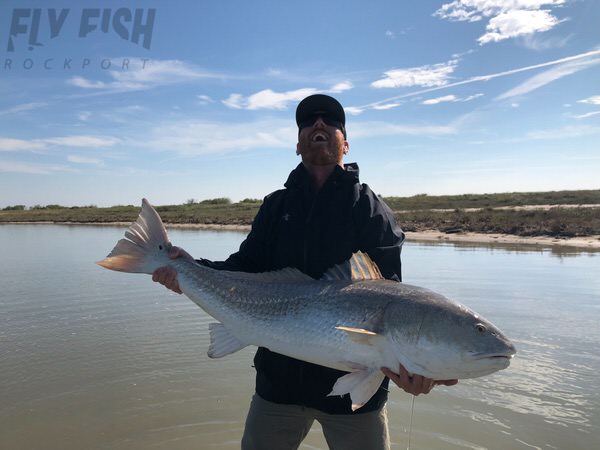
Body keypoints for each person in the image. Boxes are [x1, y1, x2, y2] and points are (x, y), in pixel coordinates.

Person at [152, 94, 458, 450]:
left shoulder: (372, 212)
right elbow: (243, 269)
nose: (318, 124)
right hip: (278, 386)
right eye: (308, 121)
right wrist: (188, 269)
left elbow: (391, 299)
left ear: (346, 142)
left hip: (354, 398)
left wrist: (414, 368)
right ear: (297, 145)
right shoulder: (276, 206)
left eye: (331, 120)